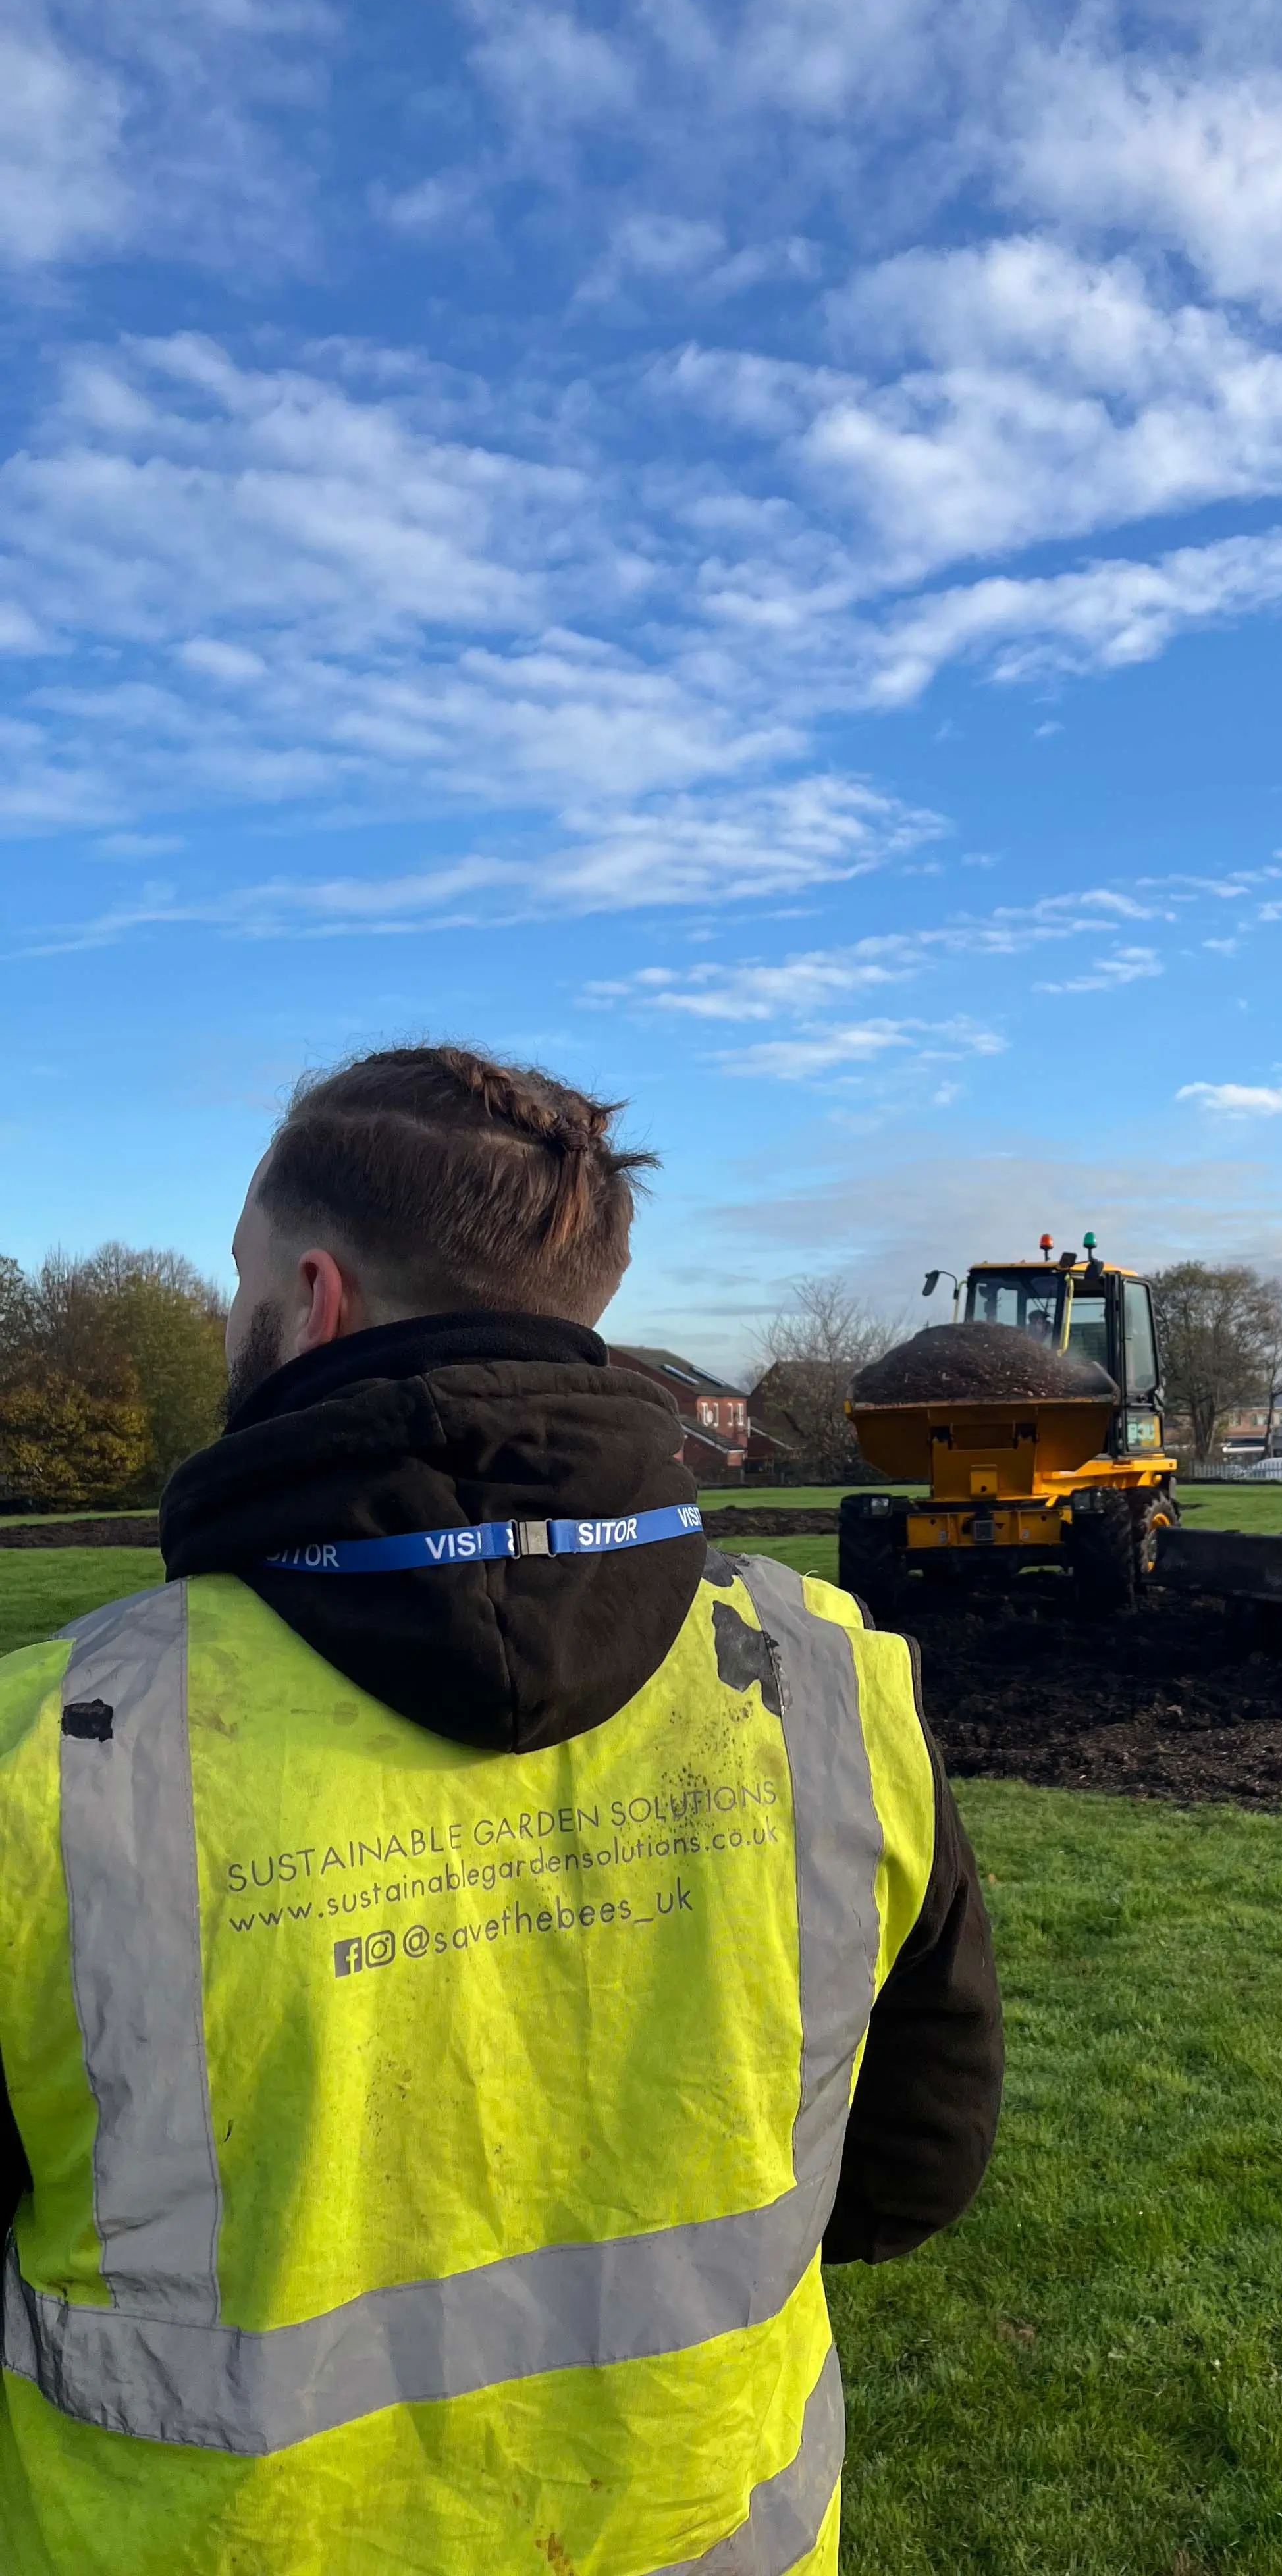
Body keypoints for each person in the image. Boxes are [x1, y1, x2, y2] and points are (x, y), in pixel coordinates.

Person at [0, 1045, 1002, 2576]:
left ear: (314, 1297)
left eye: (238, 1279)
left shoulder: (50, 1750)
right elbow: (911, 2174)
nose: (231, 1316)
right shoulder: (831, 1691)